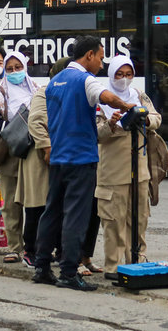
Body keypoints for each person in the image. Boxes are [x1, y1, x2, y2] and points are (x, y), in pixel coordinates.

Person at [32, 36, 135, 291]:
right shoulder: (85, 79)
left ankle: (42, 267)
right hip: (81, 158)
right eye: (100, 57)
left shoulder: (54, 81)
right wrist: (126, 105)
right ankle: (68, 272)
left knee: (52, 212)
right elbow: (106, 96)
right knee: (76, 217)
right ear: (88, 55)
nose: (101, 64)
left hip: (58, 158)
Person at [96, 56, 162, 280]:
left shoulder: (138, 95)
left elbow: (156, 117)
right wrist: (111, 123)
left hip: (139, 170)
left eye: (128, 74)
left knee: (140, 217)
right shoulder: (101, 99)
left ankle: (138, 261)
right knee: (114, 221)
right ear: (111, 75)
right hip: (112, 172)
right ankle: (113, 267)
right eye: (119, 74)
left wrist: (144, 119)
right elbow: (95, 134)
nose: (124, 79)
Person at [0, 50, 37, 264]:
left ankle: (34, 246)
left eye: (18, 68)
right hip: (9, 153)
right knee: (11, 203)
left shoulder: (36, 90)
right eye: (10, 69)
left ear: (25, 67)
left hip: (33, 154)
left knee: (33, 201)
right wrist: (15, 130)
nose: (14, 72)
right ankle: (14, 247)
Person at [20, 57, 69, 267]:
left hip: (61, 156)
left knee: (58, 205)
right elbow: (36, 121)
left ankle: (55, 249)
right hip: (40, 156)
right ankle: (31, 250)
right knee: (37, 204)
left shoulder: (71, 92)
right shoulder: (45, 91)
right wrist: (47, 147)